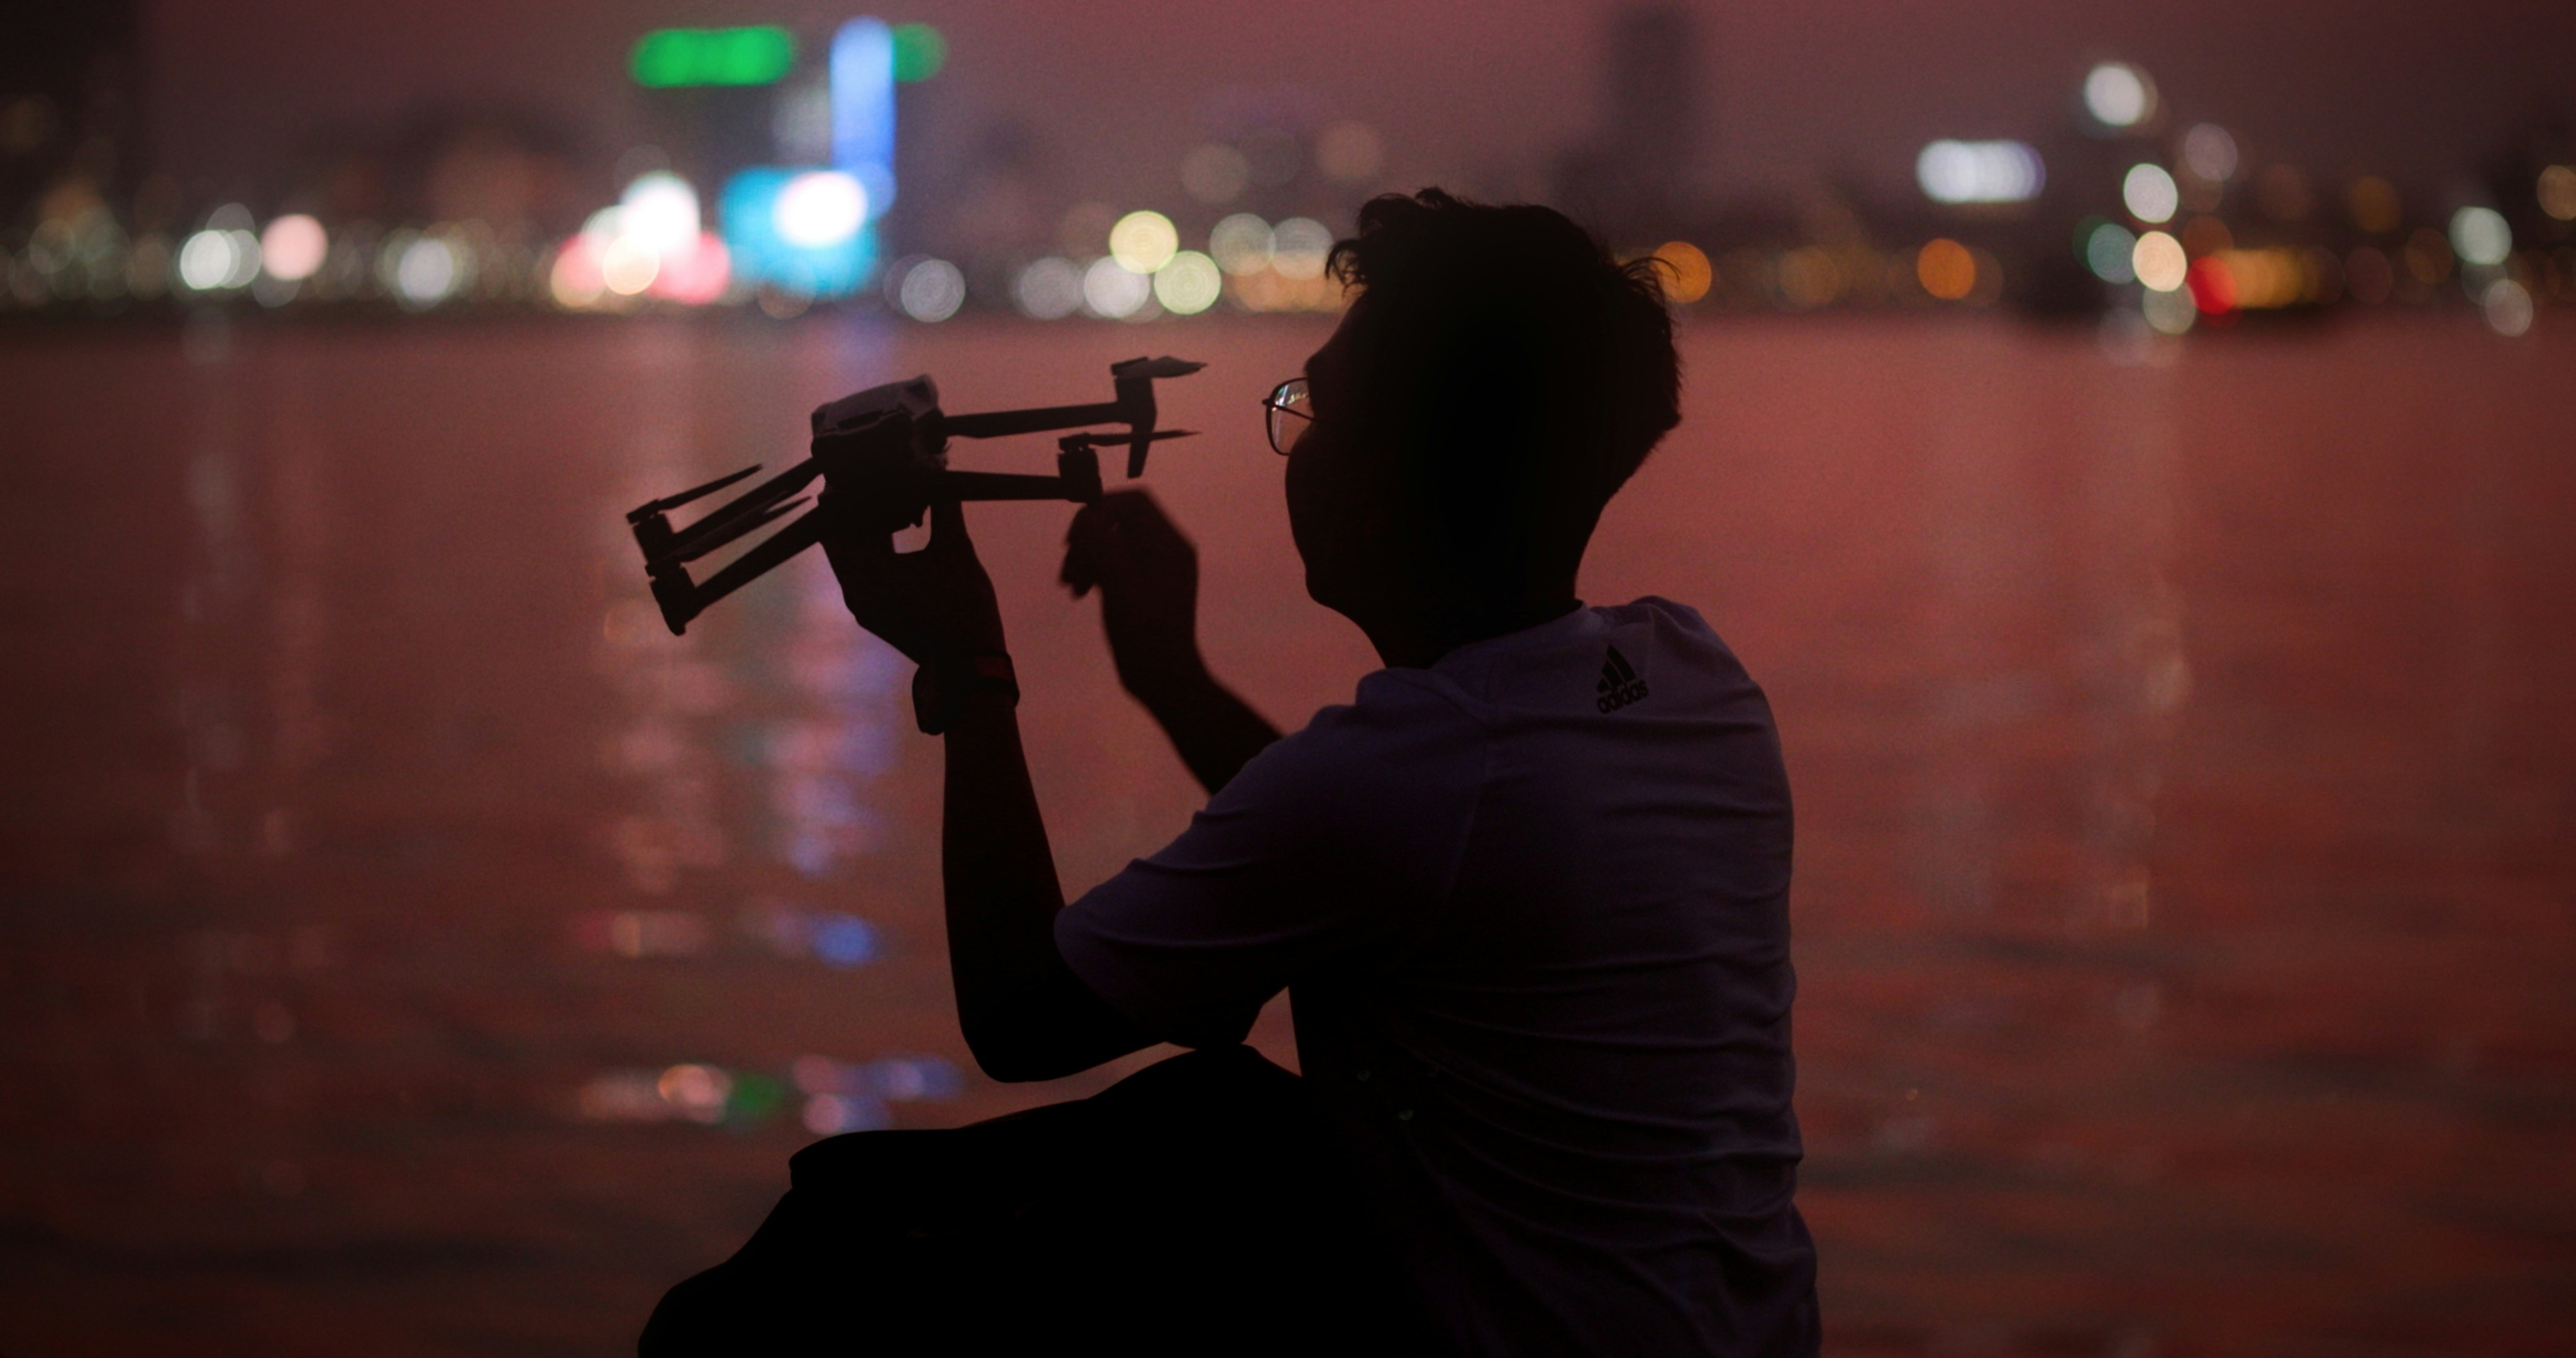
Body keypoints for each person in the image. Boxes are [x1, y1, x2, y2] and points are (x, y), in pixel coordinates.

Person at [640, 189, 1818, 1357]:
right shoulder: (1690, 677)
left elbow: (1019, 1019)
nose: (1292, 440)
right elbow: (1401, 846)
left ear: (1375, 483)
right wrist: (1172, 677)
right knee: (1220, 1124)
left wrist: (970, 667)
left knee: (805, 1284)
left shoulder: (1404, 782)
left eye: (1314, 412)